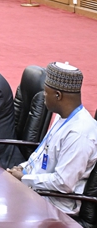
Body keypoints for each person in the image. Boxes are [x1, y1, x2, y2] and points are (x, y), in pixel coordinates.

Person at [9, 62, 97, 216]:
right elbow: (44, 153)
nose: (43, 97)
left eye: (45, 93)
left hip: (56, 205)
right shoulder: (62, 117)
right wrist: (23, 168)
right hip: (39, 191)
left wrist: (25, 178)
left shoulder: (79, 134)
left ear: (58, 95)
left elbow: (63, 183)